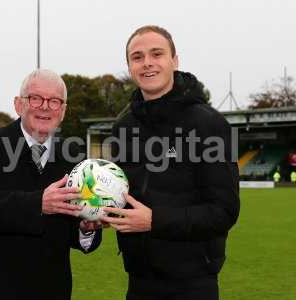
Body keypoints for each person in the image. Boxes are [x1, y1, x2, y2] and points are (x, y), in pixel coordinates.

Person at [101, 25, 240, 300]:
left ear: (174, 61)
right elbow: (128, 197)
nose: (147, 63)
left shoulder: (208, 123)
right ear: (129, 66)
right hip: (138, 280)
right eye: (137, 57)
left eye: (157, 54)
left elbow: (224, 211)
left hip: (192, 284)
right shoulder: (123, 127)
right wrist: (101, 211)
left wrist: (154, 220)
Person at [0, 69, 102, 300]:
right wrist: (38, 203)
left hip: (51, 289)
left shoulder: (76, 157)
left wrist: (85, 227)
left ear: (62, 111)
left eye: (54, 101)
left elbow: (72, 225)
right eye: (35, 98)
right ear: (18, 104)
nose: (45, 107)